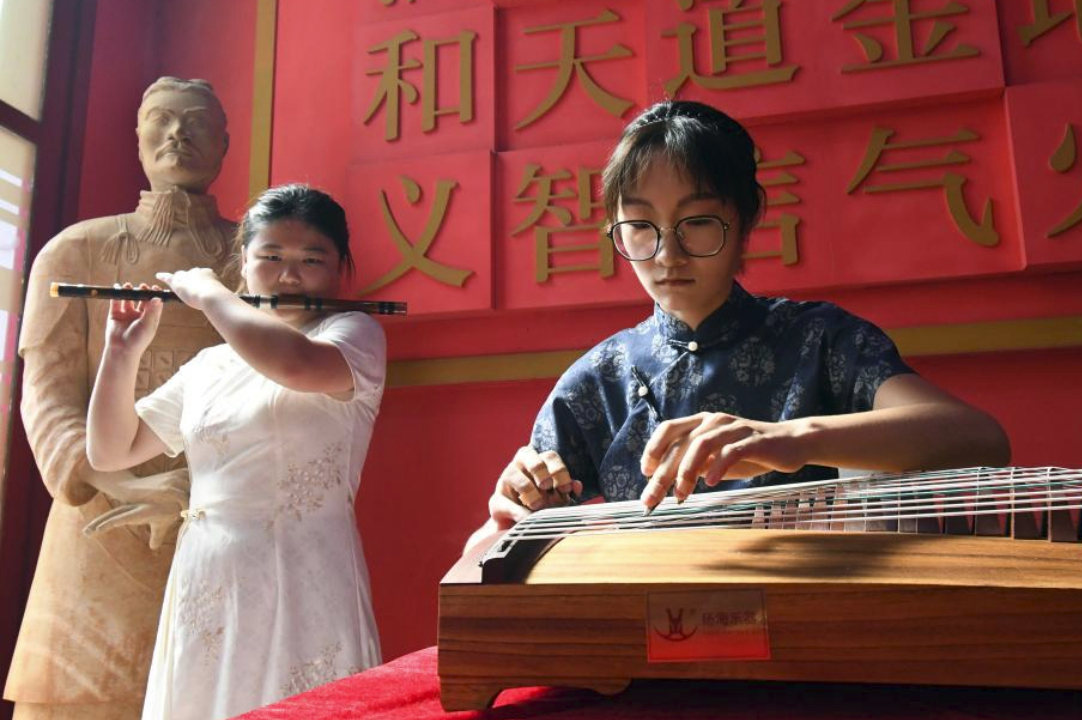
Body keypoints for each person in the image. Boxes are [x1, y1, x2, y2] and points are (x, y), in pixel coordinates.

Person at [470, 100, 1010, 543]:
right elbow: (484, 552)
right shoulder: (595, 382)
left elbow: (979, 439)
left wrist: (789, 438)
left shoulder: (820, 339)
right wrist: (510, 511)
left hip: (813, 632)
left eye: (698, 222)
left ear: (745, 217)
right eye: (639, 225)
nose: (667, 254)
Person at [85, 184, 386, 720]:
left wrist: (207, 294)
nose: (289, 276)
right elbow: (111, 450)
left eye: (311, 259)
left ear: (341, 267)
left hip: (302, 572)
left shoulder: (353, 334)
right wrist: (121, 353)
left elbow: (293, 365)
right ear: (242, 262)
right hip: (207, 573)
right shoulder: (210, 366)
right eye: (270, 257)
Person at [5, 77, 236, 720]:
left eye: (194, 123)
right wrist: (123, 486)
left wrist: (205, 491)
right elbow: (46, 400)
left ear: (224, 142)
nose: (176, 135)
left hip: (216, 526)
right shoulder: (77, 250)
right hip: (98, 526)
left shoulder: (256, 262)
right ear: (137, 138)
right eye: (160, 120)